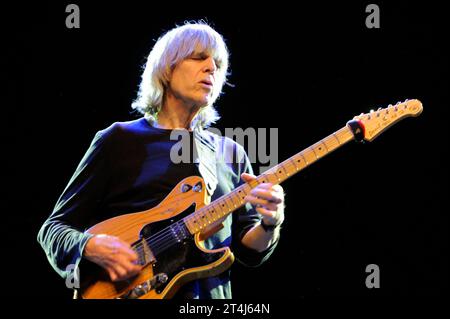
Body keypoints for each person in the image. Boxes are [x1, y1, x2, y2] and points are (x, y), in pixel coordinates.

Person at [37, 21, 285, 299]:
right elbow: (53, 229)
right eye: (198, 57)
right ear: (167, 68)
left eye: (217, 63)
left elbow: (249, 251)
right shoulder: (118, 139)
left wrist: (269, 224)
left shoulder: (231, 153)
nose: (211, 68)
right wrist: (89, 245)